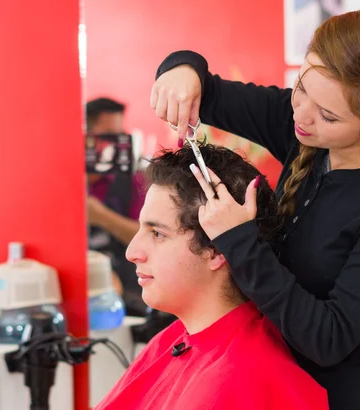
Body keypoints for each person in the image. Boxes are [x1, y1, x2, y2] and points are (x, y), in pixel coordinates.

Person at [150, 9, 360, 410]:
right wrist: (181, 69)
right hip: (281, 389)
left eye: (328, 115)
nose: (300, 115)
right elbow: (206, 90)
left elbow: (328, 338)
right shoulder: (304, 122)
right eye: (301, 87)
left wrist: (240, 242)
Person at [95, 144, 329, 410]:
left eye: (157, 233)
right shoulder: (175, 339)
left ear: (218, 250)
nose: (132, 252)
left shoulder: (245, 376)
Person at [86, 97, 147, 315]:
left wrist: (102, 217)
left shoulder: (133, 181)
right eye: (108, 135)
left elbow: (148, 237)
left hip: (128, 299)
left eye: (120, 134)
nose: (116, 142)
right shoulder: (60, 181)